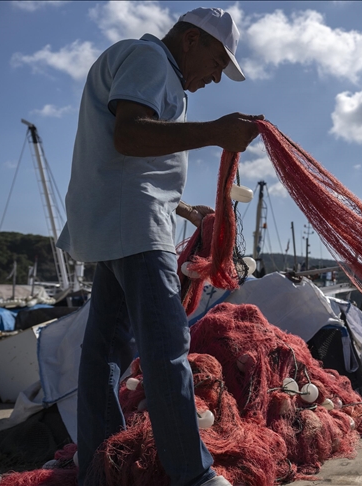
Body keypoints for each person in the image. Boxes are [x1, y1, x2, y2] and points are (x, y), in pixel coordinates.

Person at [56, 7, 261, 486]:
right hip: (134, 224)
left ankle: (100, 465)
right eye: (217, 62)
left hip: (115, 222)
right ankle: (193, 475)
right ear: (191, 40)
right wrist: (216, 132)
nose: (215, 78)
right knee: (167, 346)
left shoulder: (150, 67)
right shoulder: (151, 60)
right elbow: (129, 135)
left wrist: (186, 210)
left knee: (105, 350)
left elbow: (131, 159)